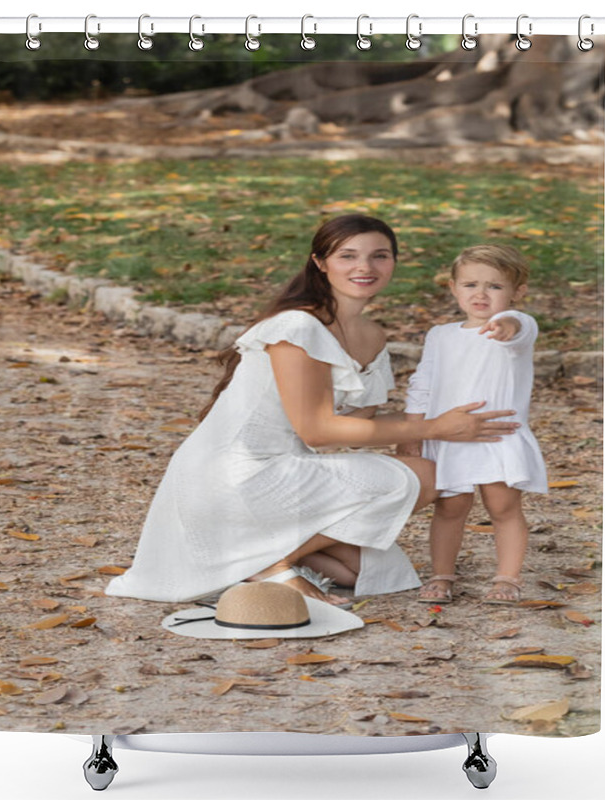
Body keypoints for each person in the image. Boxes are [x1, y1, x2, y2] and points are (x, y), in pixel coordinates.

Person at [106, 216, 520, 606]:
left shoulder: (372, 335)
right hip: (235, 475)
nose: (366, 266)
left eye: (380, 255)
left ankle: (266, 554)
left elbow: (356, 425)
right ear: (320, 264)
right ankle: (266, 564)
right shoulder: (298, 326)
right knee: (428, 476)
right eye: (348, 256)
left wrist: (416, 433)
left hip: (286, 470)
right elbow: (318, 432)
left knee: (371, 571)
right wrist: (440, 428)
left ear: (394, 262)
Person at [398, 245, 547, 605]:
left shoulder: (515, 328)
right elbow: (423, 383)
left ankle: (507, 578)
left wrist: (508, 323)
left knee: (503, 507)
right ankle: (442, 574)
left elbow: (520, 328)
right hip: (450, 436)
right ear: (453, 288)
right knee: (450, 508)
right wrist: (412, 432)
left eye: (495, 287)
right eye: (470, 285)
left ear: (517, 293)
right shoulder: (440, 335)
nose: (481, 294)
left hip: (497, 435)